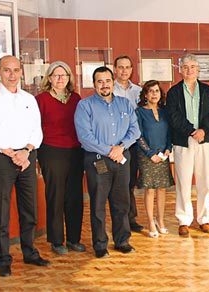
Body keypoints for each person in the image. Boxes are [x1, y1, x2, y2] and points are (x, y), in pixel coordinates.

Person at [0, 55, 49, 277]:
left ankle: (29, 253)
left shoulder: (29, 98)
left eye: (16, 70)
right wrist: (13, 153)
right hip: (2, 158)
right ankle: (3, 260)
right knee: (1, 211)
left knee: (29, 210)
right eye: (7, 70)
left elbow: (36, 131)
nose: (12, 75)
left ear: (21, 72)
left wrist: (26, 151)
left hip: (27, 156)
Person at [75, 66, 141, 258]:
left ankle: (122, 241)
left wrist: (120, 148)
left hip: (121, 158)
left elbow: (135, 131)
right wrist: (109, 151)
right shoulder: (85, 106)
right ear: (94, 84)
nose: (104, 85)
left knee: (122, 202)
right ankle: (100, 244)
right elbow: (84, 136)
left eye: (107, 81)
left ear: (113, 82)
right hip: (98, 160)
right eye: (99, 81)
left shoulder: (125, 104)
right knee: (98, 204)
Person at [166, 54, 209, 236]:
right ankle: (184, 220)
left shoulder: (206, 91)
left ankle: (205, 219)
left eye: (193, 67)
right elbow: (173, 116)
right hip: (183, 141)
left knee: (204, 181)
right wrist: (191, 131)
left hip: (204, 140)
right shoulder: (173, 93)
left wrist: (203, 130)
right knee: (184, 182)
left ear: (198, 70)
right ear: (180, 70)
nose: (189, 70)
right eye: (186, 67)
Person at [36, 61, 85, 255]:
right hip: (51, 150)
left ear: (69, 78)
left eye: (63, 75)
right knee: (56, 196)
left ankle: (74, 239)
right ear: (49, 78)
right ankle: (57, 241)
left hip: (75, 151)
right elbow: (35, 127)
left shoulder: (76, 99)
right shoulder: (41, 100)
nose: (60, 79)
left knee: (74, 196)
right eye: (56, 75)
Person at [135, 80, 174, 238]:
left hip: (162, 155)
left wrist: (168, 148)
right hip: (146, 156)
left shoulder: (164, 111)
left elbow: (169, 133)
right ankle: (151, 222)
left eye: (156, 91)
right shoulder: (139, 112)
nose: (154, 94)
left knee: (162, 188)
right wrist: (150, 153)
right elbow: (138, 135)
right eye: (150, 91)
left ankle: (160, 220)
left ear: (161, 94)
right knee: (150, 189)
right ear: (145, 94)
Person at [113, 55, 144, 232]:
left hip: (134, 144)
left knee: (130, 182)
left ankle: (130, 218)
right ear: (115, 69)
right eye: (121, 67)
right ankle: (120, 219)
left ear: (132, 70)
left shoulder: (139, 92)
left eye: (127, 67)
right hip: (115, 145)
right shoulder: (110, 90)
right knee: (118, 184)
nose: (124, 71)